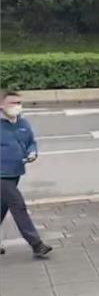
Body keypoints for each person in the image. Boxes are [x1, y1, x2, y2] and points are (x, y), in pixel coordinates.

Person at [1, 91, 52, 258]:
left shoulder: (23, 123)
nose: (17, 106)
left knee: (2, 206)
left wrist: (32, 152)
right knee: (18, 205)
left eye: (18, 102)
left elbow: (31, 142)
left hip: (15, 171)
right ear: (2, 105)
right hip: (1, 174)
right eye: (12, 103)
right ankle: (36, 244)